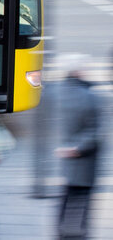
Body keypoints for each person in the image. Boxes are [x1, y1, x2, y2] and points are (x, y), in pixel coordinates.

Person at [55, 53, 101, 240]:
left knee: (67, 195)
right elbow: (95, 131)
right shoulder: (89, 96)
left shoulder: (59, 92)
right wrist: (77, 148)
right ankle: (81, 232)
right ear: (78, 71)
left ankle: (61, 230)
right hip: (84, 159)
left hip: (66, 157)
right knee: (82, 197)